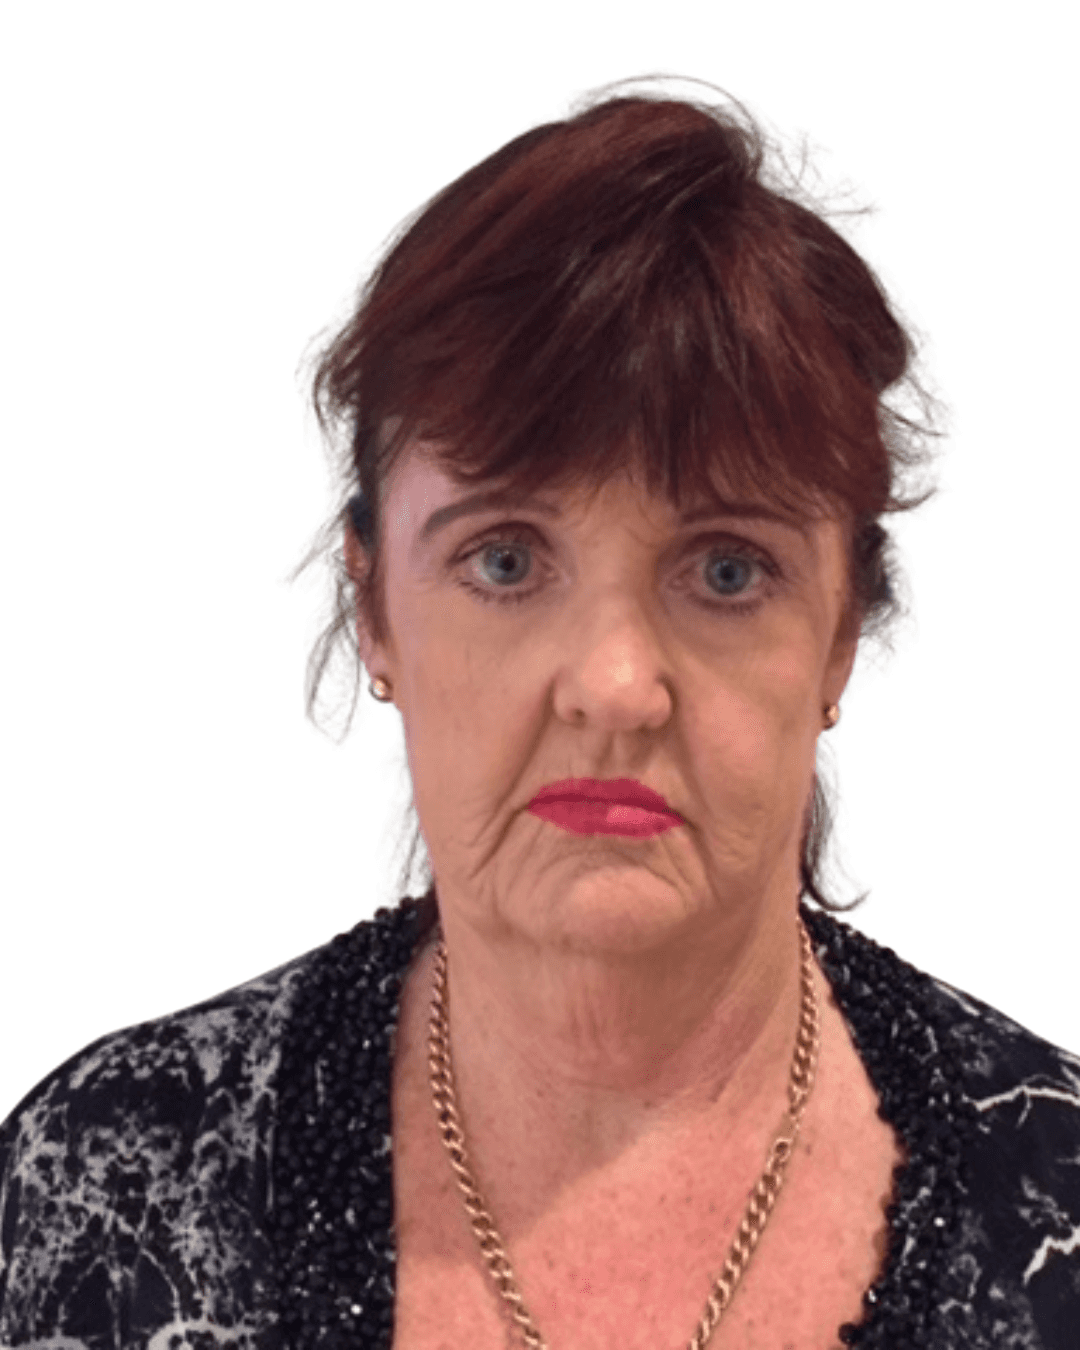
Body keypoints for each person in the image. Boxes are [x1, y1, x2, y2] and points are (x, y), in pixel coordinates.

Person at [1, 82, 1077, 1350]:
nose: (615, 686)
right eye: (505, 561)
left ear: (840, 635)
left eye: (728, 570)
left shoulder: (1054, 1196)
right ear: (375, 609)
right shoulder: (98, 1193)